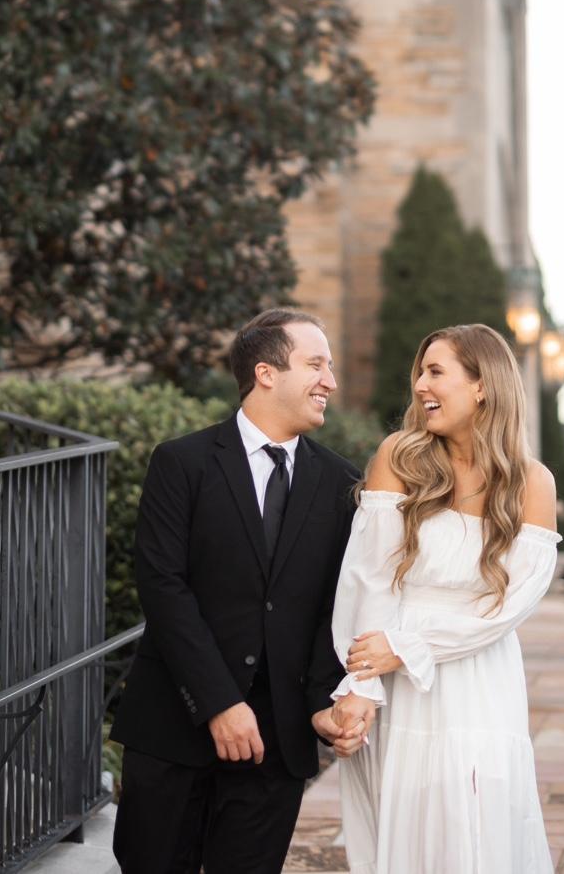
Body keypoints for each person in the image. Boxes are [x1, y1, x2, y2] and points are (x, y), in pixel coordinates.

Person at [110, 308, 373, 874]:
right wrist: (219, 704)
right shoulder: (181, 463)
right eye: (316, 365)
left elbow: (334, 607)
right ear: (266, 373)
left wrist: (322, 706)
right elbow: (163, 587)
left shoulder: (341, 482)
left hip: (277, 748)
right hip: (174, 727)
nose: (330, 381)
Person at [328, 323, 561, 873]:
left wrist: (409, 647)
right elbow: (369, 579)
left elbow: (509, 606)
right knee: (403, 823)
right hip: (395, 681)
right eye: (420, 372)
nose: (420, 386)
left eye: (436, 372)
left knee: (478, 822)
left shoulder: (532, 482)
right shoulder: (399, 457)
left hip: (479, 677)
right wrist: (361, 685)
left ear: (482, 385)